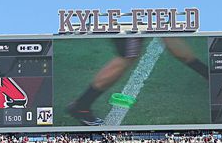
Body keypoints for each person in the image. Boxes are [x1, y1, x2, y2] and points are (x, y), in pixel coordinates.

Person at [65, 37, 210, 125]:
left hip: (142, 4)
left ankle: (209, 75)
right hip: (131, 6)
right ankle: (82, 105)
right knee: (128, 55)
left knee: (167, 33)